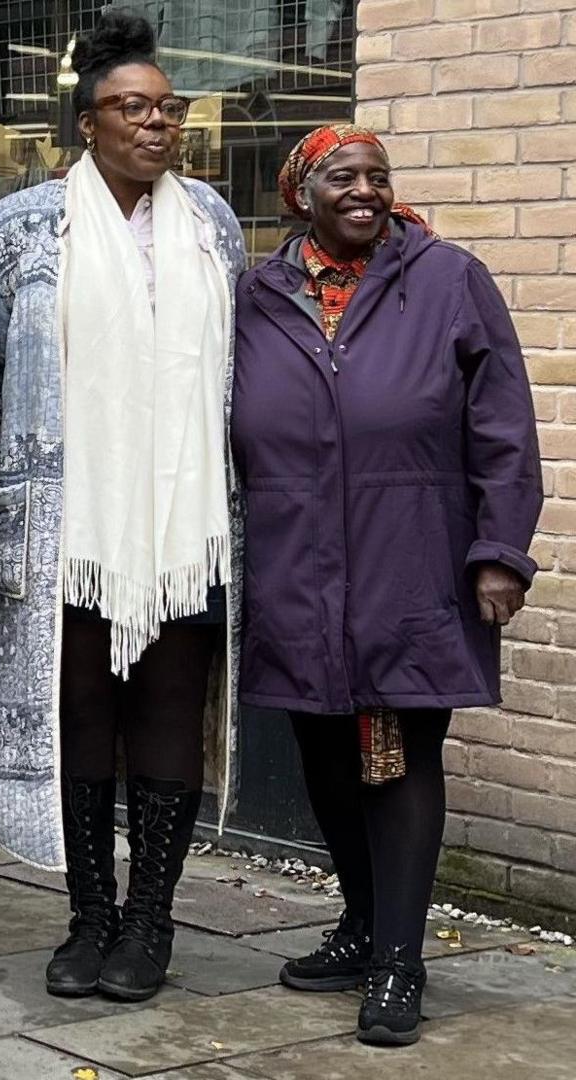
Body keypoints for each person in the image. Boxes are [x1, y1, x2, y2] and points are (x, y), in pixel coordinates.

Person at [233, 124, 541, 1047]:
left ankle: (401, 960)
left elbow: (503, 424)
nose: (364, 190)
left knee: (396, 755)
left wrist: (500, 549)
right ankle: (363, 926)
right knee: (326, 758)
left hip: (410, 562)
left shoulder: (447, 278)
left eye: (378, 176)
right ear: (301, 192)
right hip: (295, 564)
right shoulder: (259, 292)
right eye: (342, 176)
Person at [0, 7, 246, 1004]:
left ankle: (150, 921)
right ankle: (89, 917)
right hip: (67, 529)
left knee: (171, 723)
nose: (153, 123)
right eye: (129, 108)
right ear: (86, 123)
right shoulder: (20, 230)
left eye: (165, 107)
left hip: (184, 531)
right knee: (82, 721)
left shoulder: (213, 225)